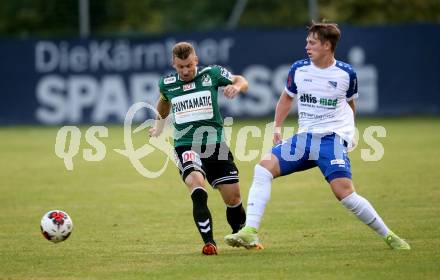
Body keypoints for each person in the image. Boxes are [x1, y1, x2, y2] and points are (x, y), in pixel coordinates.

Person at [224, 23, 410, 250]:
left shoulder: (346, 74)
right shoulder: (299, 69)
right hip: (305, 139)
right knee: (263, 168)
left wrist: (348, 133)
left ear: (327, 45)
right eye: (307, 42)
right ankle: (250, 231)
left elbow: (350, 104)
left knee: (345, 193)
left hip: (331, 140)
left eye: (312, 43)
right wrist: (277, 127)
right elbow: (286, 98)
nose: (306, 46)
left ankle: (390, 236)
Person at [149, 42, 249, 255]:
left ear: (196, 61)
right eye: (180, 67)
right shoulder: (167, 83)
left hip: (216, 145)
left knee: (233, 199)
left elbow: (241, 80)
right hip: (185, 144)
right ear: (173, 64)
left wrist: (236, 87)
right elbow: (164, 101)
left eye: (188, 66)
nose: (185, 71)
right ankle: (209, 243)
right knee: (196, 184)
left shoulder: (211, 74)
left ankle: (240, 232)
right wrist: (159, 125)